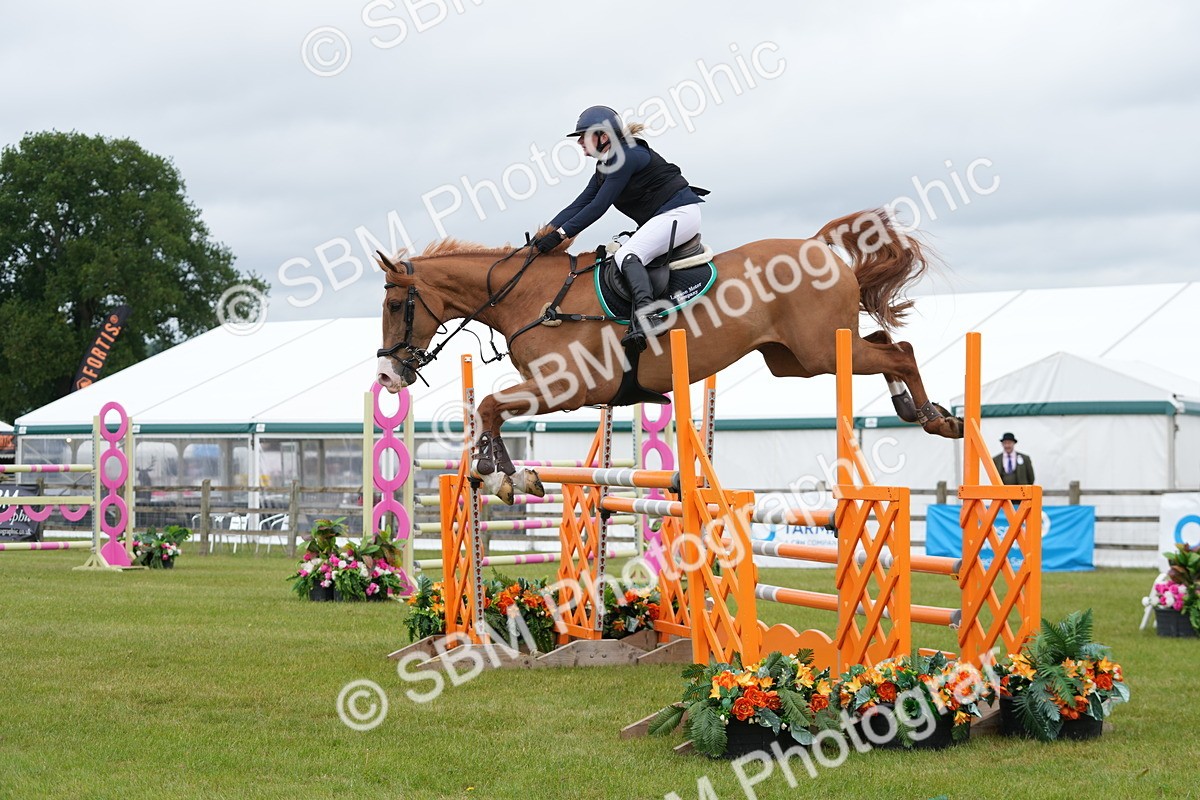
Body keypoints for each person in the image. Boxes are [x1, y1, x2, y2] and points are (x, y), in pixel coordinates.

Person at [532, 105, 708, 352]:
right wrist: (544, 235)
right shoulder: (606, 165)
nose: (579, 141)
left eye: (584, 136)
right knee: (621, 254)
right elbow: (580, 204)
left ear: (603, 136)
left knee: (627, 254)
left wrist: (561, 235)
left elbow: (599, 207)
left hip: (679, 213)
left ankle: (649, 316)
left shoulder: (625, 157)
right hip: (669, 215)